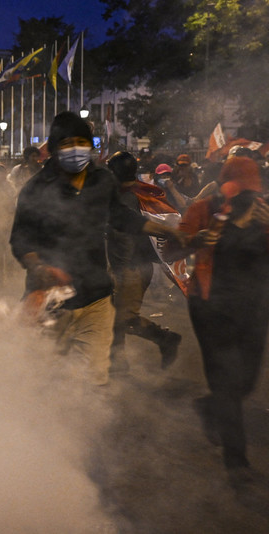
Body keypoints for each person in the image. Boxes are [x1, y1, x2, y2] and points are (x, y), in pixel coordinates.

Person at [9, 112, 181, 385]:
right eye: (69, 143)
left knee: (106, 335)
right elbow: (21, 240)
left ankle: (113, 371)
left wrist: (167, 231)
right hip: (54, 290)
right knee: (42, 360)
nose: (77, 150)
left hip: (102, 283)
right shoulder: (35, 190)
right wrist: (40, 268)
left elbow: (124, 221)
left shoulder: (101, 184)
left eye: (83, 142)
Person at [165, 156, 269, 480]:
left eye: (250, 192)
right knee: (226, 381)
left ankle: (210, 407)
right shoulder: (203, 210)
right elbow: (169, 251)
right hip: (209, 307)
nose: (244, 198)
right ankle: (236, 460)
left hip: (254, 308)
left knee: (246, 381)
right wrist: (196, 240)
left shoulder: (268, 212)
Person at [105, 152, 183, 373]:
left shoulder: (126, 198)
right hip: (126, 266)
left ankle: (165, 338)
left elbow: (127, 236)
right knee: (113, 315)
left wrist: (122, 269)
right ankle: (117, 363)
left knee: (124, 318)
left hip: (131, 268)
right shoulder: (134, 193)